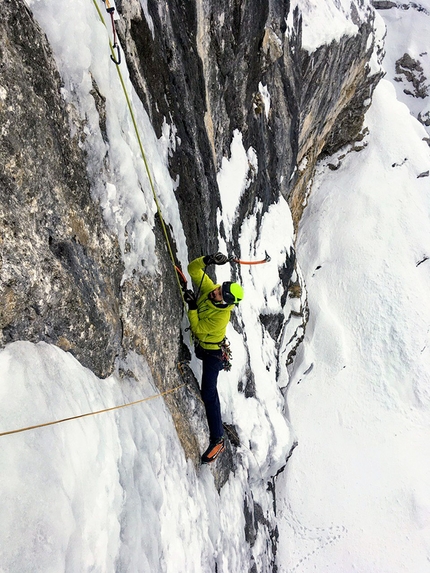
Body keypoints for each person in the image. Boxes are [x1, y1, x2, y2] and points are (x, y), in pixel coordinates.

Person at [184, 252, 244, 464]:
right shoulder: (211, 289)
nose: (215, 292)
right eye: (219, 288)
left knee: (208, 393)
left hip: (213, 354)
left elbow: (199, 330)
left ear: (225, 303)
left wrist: (192, 308)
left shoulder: (221, 318)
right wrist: (206, 260)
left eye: (219, 294)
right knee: (208, 391)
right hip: (206, 349)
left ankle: (217, 439)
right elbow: (193, 270)